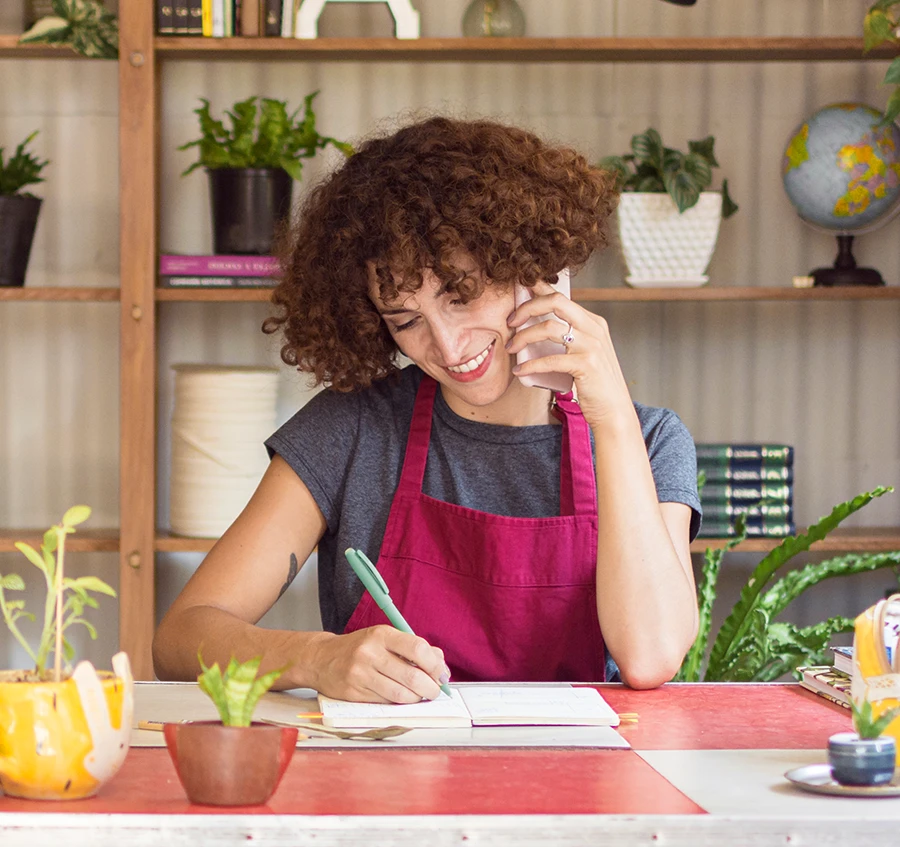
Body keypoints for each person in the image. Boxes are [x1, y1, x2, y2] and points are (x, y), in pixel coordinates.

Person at [152, 116, 702, 703]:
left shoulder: (648, 438)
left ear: (533, 264)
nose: (446, 345)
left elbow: (649, 656)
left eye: (461, 295)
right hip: (387, 782)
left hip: (579, 787)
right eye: (405, 320)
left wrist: (612, 416)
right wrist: (314, 658)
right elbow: (183, 636)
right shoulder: (352, 432)